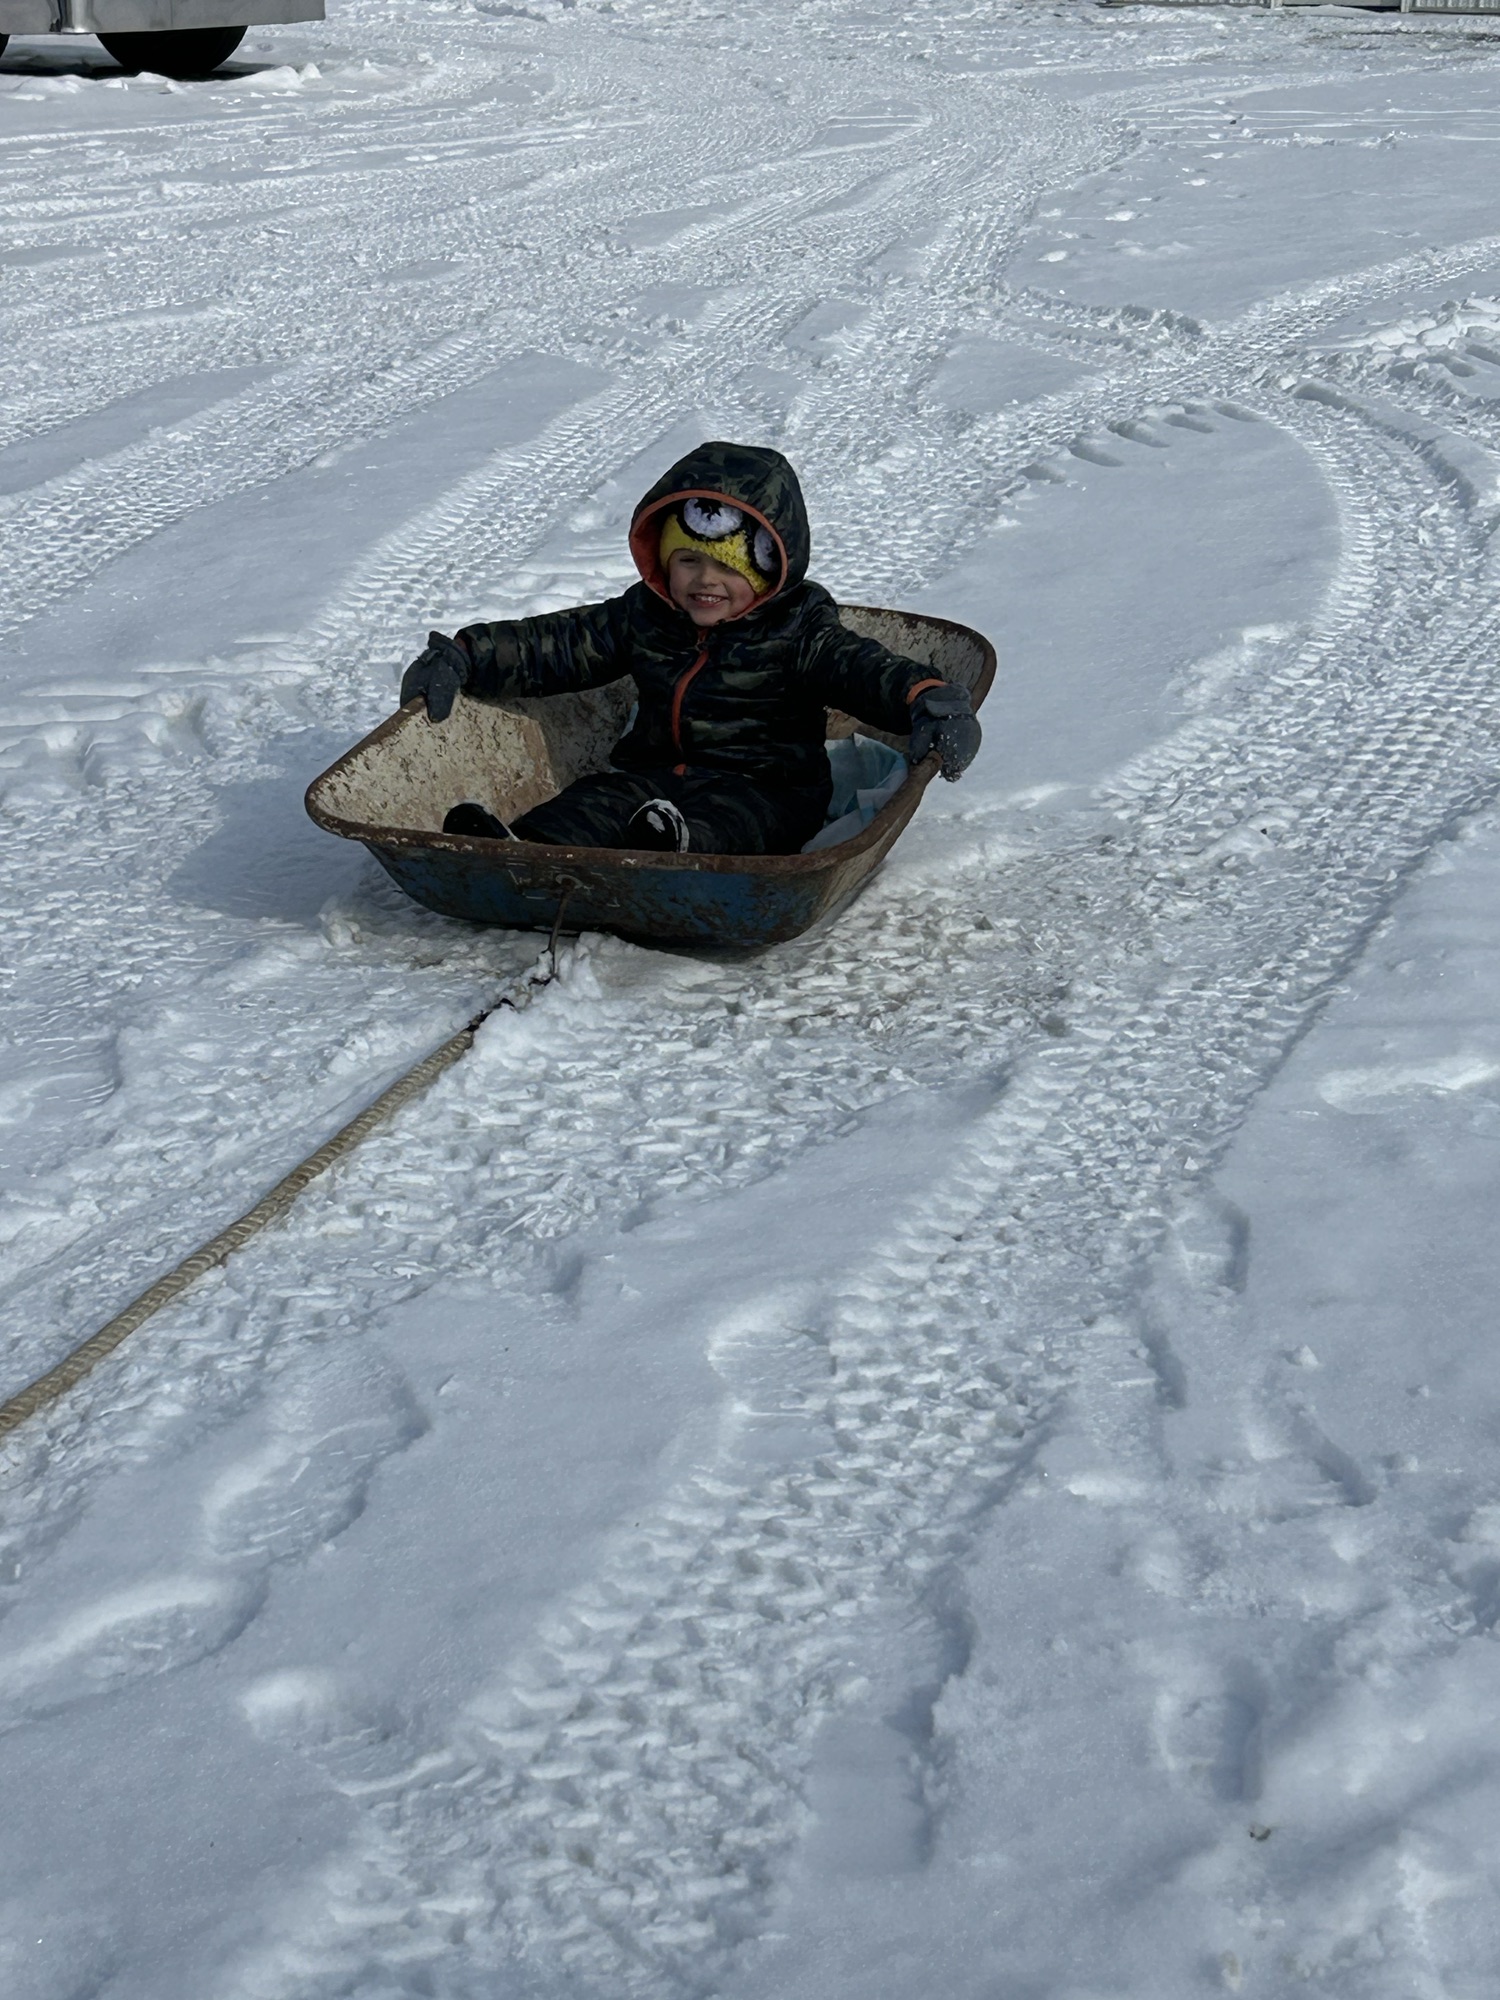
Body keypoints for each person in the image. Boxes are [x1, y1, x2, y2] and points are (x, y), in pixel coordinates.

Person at [399, 441, 981, 855]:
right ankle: (520, 850)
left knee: (732, 824)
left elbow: (862, 669)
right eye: (688, 561)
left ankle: (677, 851)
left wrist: (928, 699)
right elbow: (561, 643)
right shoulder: (645, 615)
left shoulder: (800, 630)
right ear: (663, 563)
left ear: (768, 570)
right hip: (652, 774)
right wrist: (467, 655)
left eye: (726, 568)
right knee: (594, 801)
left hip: (767, 788)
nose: (704, 581)